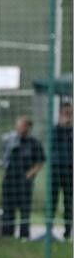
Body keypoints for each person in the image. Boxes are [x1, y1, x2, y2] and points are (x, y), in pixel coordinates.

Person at [0, 116, 45, 240]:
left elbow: (40, 162)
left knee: (24, 210)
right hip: (9, 180)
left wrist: (29, 175)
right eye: (17, 125)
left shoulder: (34, 143)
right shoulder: (9, 140)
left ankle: (24, 235)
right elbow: (4, 158)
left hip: (24, 182)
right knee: (8, 209)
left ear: (28, 127)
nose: (19, 128)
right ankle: (7, 235)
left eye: (22, 125)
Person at [51, 102, 72, 240]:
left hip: (70, 170)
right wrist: (60, 126)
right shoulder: (55, 130)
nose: (68, 117)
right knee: (52, 200)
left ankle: (67, 232)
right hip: (56, 169)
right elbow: (52, 144)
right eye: (65, 113)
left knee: (68, 202)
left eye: (70, 114)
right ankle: (49, 232)